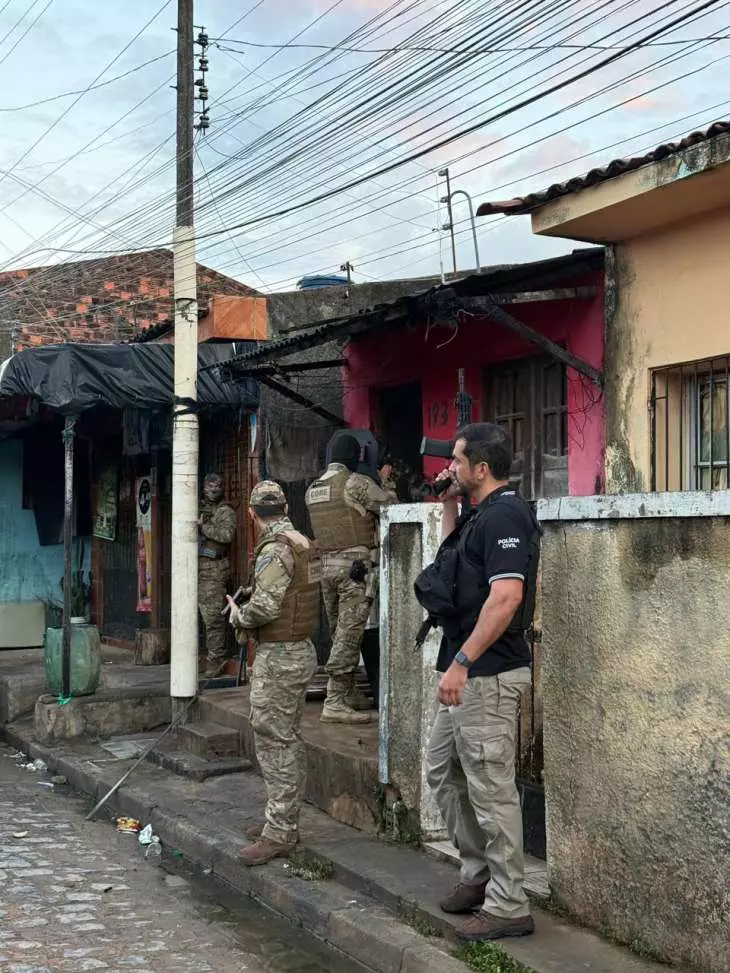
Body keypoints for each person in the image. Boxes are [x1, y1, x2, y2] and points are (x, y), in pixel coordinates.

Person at [425, 422, 539, 942]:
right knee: (443, 772)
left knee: (491, 790)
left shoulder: (507, 515)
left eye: (457, 460)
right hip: (464, 671)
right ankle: (477, 874)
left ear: (483, 468)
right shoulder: (478, 517)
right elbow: (449, 563)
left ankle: (509, 904)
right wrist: (448, 500)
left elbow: (507, 597)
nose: (451, 466)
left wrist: (464, 661)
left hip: (488, 674)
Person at [227, 480, 320, 866]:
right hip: (300, 649)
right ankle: (281, 821)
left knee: (274, 740)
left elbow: (264, 608)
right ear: (284, 507)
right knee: (287, 738)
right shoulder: (301, 541)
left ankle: (280, 831)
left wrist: (237, 613)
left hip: (279, 655)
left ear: (252, 514)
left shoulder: (274, 549)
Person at [305, 433, 397, 724]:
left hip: (325, 569)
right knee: (350, 634)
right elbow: (392, 508)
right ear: (355, 457)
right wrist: (385, 481)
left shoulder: (312, 489)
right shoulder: (356, 483)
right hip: (353, 571)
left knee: (339, 634)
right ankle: (334, 701)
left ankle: (349, 694)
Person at [198, 472, 237, 678]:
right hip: (195, 568)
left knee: (213, 617)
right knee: (199, 618)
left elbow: (226, 535)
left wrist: (203, 527)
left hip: (213, 570)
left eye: (217, 487)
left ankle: (216, 658)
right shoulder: (199, 509)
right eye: (209, 487)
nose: (213, 490)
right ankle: (204, 656)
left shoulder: (225, 511)